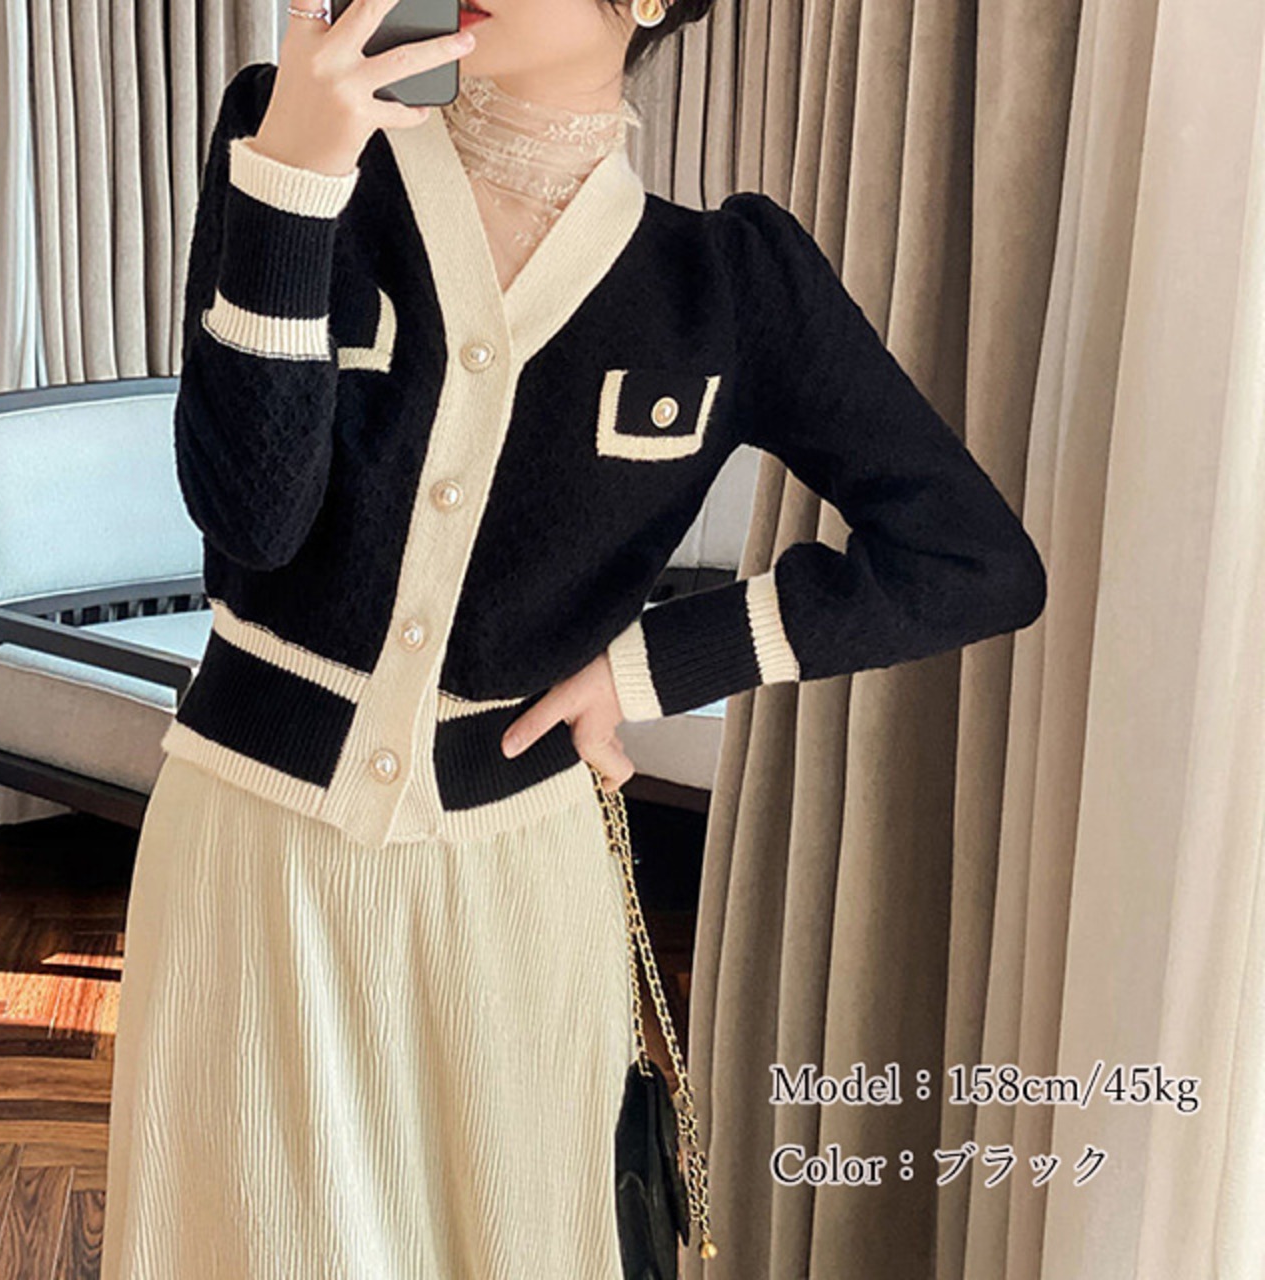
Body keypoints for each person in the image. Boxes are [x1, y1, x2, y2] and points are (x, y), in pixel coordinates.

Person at [100, 0, 1047, 1276]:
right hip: (251, 847)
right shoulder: (296, 150)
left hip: (519, 886)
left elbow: (969, 560)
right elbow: (250, 520)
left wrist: (644, 669)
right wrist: (295, 178)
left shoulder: (725, 286)